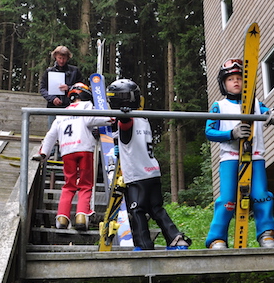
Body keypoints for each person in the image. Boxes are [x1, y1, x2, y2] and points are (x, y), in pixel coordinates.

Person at [204, 58, 274, 249]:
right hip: (230, 158)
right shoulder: (219, 106)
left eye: (239, 78)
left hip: (255, 156)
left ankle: (266, 233)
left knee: (261, 195)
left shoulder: (256, 104)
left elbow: (268, 112)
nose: (236, 82)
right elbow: (209, 131)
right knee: (227, 200)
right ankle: (217, 238)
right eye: (231, 79)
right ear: (223, 83)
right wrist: (231, 134)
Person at [106, 78, 191, 251]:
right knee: (156, 209)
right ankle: (175, 238)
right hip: (153, 172)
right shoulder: (143, 119)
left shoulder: (126, 121)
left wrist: (122, 118)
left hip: (136, 176)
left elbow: (125, 126)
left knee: (137, 211)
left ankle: (143, 246)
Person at [35, 83, 111, 230]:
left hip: (67, 151)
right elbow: (97, 119)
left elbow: (51, 135)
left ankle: (62, 218)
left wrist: (43, 153)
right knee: (85, 185)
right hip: (84, 149)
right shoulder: (87, 106)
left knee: (69, 185)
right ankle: (81, 216)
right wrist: (111, 118)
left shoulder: (62, 114)